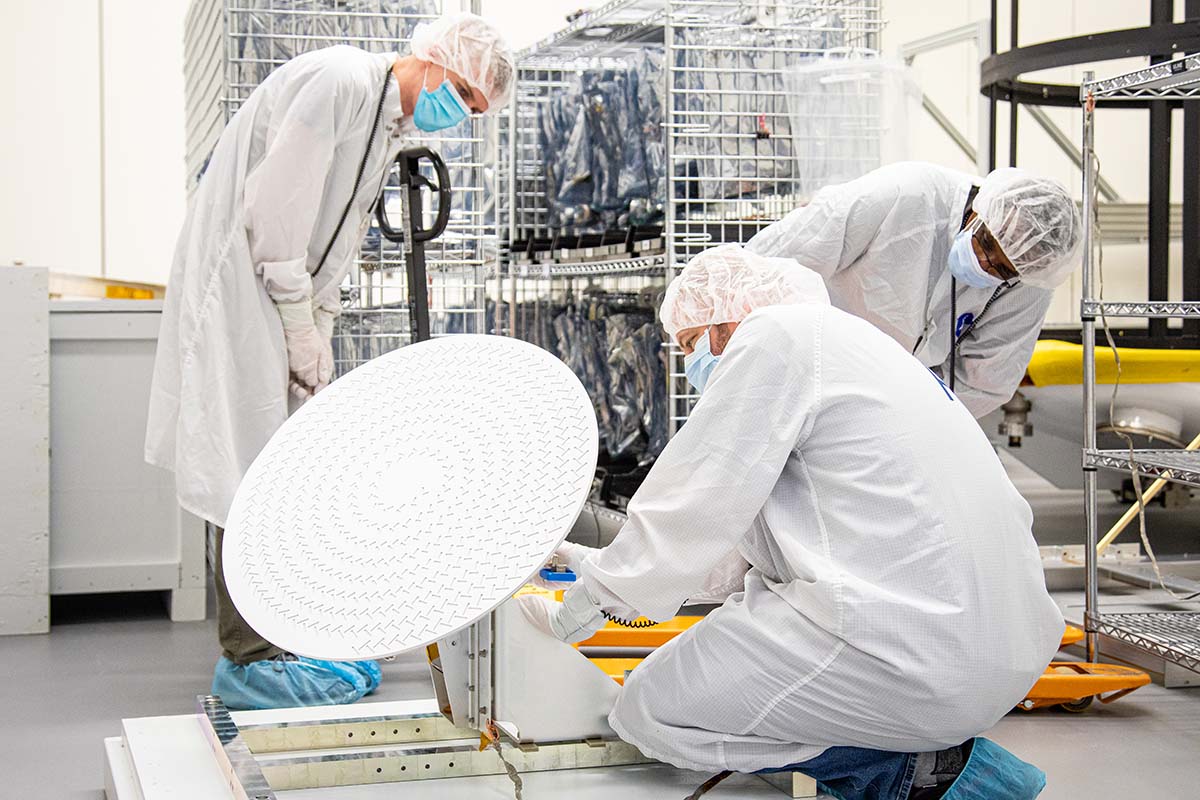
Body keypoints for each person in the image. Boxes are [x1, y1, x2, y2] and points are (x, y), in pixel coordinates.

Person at [519, 244, 1063, 799]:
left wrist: (586, 605)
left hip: (905, 650)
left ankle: (918, 773)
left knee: (649, 711)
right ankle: (928, 752)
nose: (690, 366)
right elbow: (728, 552)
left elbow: (696, 497)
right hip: (1003, 649)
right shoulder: (857, 349)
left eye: (689, 344)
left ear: (725, 322)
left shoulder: (773, 337)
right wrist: (597, 565)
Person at [145, 13, 514, 710]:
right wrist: (295, 315)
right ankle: (250, 660)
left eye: (474, 109)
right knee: (244, 469)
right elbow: (276, 210)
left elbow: (333, 235)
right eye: (464, 95)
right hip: (241, 287)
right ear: (434, 59)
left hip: (278, 292)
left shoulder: (386, 123)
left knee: (279, 466)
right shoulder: (342, 80)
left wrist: (315, 322)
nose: (461, 115)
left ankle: (285, 635)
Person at [744, 161, 1082, 419]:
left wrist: (907, 415)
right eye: (986, 242)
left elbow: (987, 382)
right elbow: (770, 264)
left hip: (899, 405)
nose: (984, 263)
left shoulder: (1030, 277)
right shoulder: (903, 197)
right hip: (809, 367)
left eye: (1002, 269)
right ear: (982, 207)